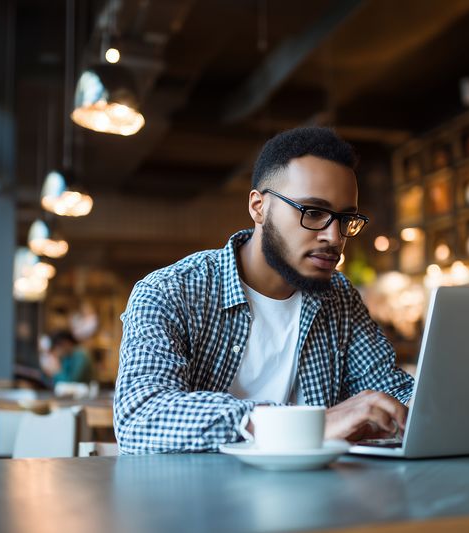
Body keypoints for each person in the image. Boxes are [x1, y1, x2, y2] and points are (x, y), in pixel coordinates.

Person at [115, 126, 414, 454]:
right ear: (258, 207)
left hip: (319, 497)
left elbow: (390, 393)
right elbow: (139, 416)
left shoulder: (338, 297)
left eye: (345, 219)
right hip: (198, 499)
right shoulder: (170, 292)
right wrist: (306, 425)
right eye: (313, 212)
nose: (334, 237)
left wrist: (425, 408)